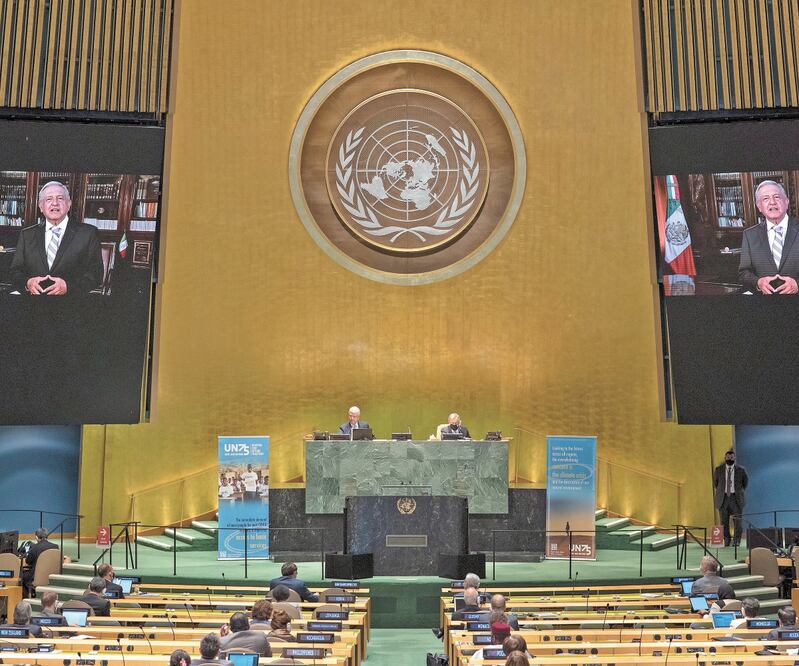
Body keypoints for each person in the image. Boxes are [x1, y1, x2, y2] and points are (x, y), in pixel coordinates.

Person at [10, 181, 103, 295]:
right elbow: (15, 271)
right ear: (41, 206)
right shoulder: (27, 234)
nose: (55, 203)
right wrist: (27, 283)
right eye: (49, 199)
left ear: (68, 204)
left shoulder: (88, 233)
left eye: (60, 198)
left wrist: (68, 287)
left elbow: (96, 274)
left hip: (71, 304)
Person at [738, 180, 799, 295]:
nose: (772, 202)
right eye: (765, 199)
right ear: (759, 206)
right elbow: (743, 273)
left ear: (786, 202)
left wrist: (797, 284)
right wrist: (758, 282)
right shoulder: (749, 235)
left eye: (777, 197)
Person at [713, 449, 748, 547]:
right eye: (728, 457)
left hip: (736, 499)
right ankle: (726, 540)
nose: (730, 459)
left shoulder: (741, 470)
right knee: (723, 522)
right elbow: (716, 484)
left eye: (732, 457)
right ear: (725, 458)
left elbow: (745, 484)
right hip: (723, 499)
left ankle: (736, 541)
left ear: (735, 458)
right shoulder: (718, 469)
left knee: (737, 522)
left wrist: (736, 492)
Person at [21, 527, 58, 595]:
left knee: (21, 577)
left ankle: (26, 598)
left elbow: (28, 561)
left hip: (36, 576)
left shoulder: (34, 547)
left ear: (36, 537)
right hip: (52, 575)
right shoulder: (55, 546)